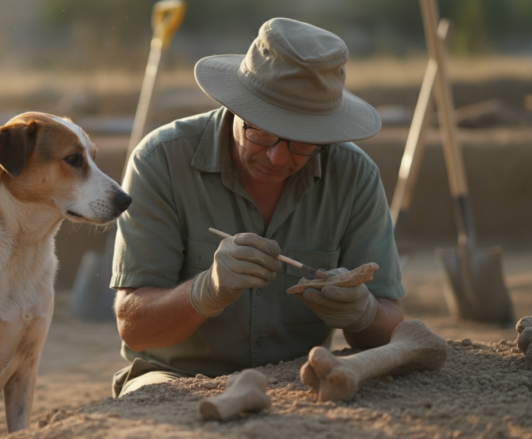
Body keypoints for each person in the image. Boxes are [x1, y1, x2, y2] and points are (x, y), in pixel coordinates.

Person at [110, 18, 405, 397]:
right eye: (261, 131)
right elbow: (134, 328)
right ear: (236, 106)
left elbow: (392, 329)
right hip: (173, 378)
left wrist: (364, 313)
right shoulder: (161, 161)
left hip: (300, 378)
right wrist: (207, 290)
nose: (277, 157)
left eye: (301, 141)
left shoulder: (353, 175)